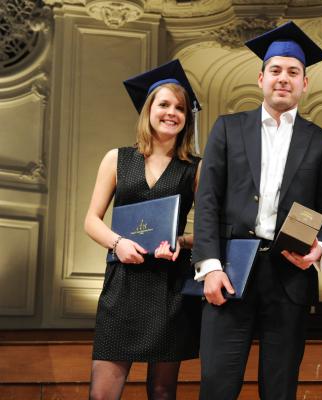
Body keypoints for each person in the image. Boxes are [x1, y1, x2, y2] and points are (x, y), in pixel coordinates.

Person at [191, 21, 322, 400]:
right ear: (261, 77)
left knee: (280, 390)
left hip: (289, 277)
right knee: (216, 387)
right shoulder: (227, 129)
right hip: (230, 272)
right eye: (276, 70)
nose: (283, 78)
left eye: (293, 72)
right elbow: (207, 200)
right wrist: (209, 266)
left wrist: (320, 249)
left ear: (305, 84)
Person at [84, 59, 202, 400]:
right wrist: (118, 243)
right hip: (122, 283)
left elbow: (213, 229)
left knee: (163, 393)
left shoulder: (194, 168)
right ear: (148, 110)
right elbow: (91, 219)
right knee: (102, 393)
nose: (171, 112)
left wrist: (182, 241)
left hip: (169, 286)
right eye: (163, 104)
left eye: (180, 108)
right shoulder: (117, 159)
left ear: (186, 117)